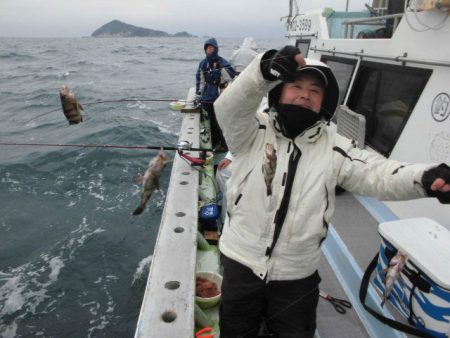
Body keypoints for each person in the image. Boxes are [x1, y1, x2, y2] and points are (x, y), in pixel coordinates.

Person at [214, 45, 450, 338]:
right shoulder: (251, 131)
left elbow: (377, 173)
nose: (305, 94)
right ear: (277, 92)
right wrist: (262, 69)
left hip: (297, 274)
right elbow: (227, 108)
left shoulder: (334, 145)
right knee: (235, 330)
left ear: (324, 102)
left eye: (315, 91)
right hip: (241, 262)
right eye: (296, 86)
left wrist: (425, 179)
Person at [196, 37, 235, 151]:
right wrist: (199, 94)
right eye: (208, 48)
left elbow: (231, 76)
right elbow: (199, 79)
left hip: (220, 95)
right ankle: (214, 142)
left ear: (216, 49)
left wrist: (220, 68)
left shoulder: (222, 61)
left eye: (212, 48)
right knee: (211, 121)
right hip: (207, 97)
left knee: (220, 121)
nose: (210, 50)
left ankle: (224, 144)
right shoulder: (203, 63)